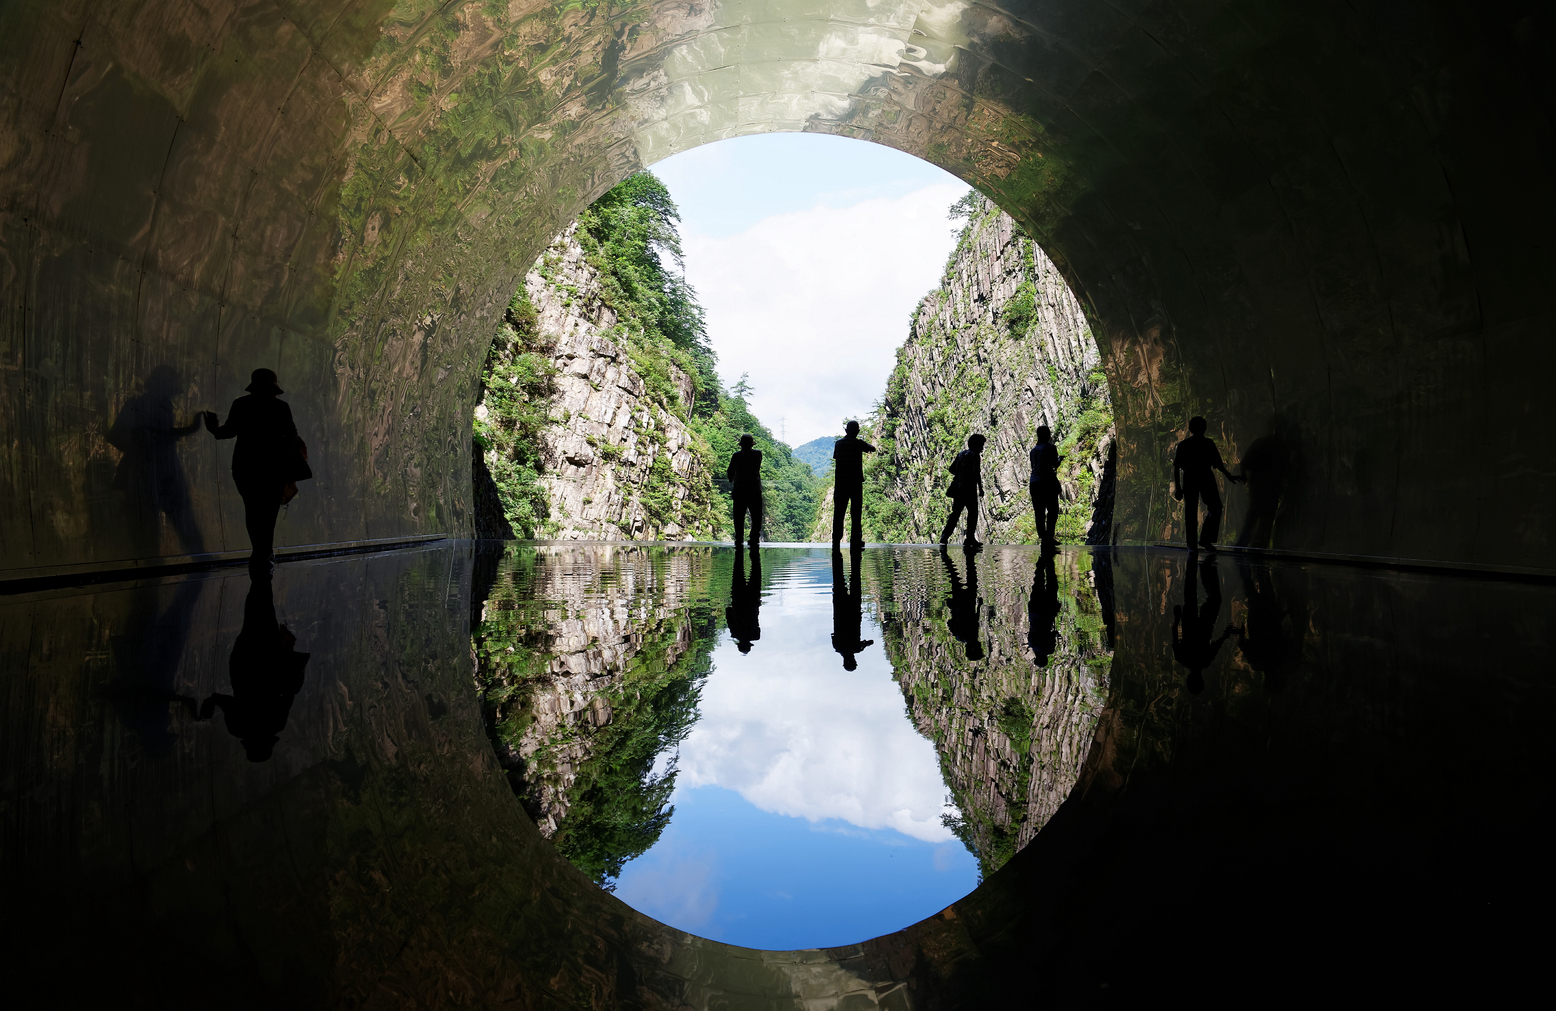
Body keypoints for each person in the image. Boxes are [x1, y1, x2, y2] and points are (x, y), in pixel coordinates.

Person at [205, 369, 310, 576]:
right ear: (274, 387)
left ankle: (259, 553)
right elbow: (292, 437)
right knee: (269, 514)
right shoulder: (281, 407)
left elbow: (227, 432)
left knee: (252, 511)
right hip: (273, 469)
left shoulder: (241, 404)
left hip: (246, 468)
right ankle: (264, 555)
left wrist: (213, 428)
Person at [199, 577, 310, 762]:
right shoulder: (238, 728)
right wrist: (213, 701)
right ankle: (260, 577)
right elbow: (227, 703)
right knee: (252, 615)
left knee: (265, 611)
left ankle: (262, 576)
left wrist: (288, 652)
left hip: (269, 662)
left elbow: (289, 693)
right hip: (244, 663)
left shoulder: (277, 723)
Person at [1172, 416, 1241, 553]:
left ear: (1190, 429)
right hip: (1205, 476)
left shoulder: (1184, 445)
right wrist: (1228, 476)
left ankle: (1192, 545)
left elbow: (1176, 467)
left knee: (1191, 511)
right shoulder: (1208, 443)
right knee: (1215, 507)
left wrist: (1179, 488)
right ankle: (1205, 539)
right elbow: (1218, 464)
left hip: (1190, 477)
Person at [831, 421, 876, 548]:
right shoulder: (858, 443)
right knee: (856, 513)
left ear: (846, 430)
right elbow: (872, 448)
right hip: (855, 483)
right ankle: (856, 539)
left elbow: (836, 458)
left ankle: (836, 539)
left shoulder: (838, 444)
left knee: (839, 513)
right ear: (857, 431)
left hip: (840, 483)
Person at [939, 433, 987, 550]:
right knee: (973, 513)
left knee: (955, 514)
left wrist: (961, 474)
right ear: (977, 444)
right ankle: (970, 538)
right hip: (969, 489)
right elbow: (976, 473)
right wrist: (980, 488)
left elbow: (951, 469)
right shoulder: (975, 455)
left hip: (958, 488)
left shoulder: (961, 454)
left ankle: (944, 536)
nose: (982, 447)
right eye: (981, 445)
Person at [831, 545, 874, 670]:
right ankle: (841, 553)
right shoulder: (837, 647)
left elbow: (867, 643)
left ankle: (849, 552)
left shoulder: (856, 648)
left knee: (855, 577)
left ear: (853, 661)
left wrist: (868, 643)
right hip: (840, 609)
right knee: (839, 579)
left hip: (854, 610)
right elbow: (833, 635)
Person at [939, 544, 983, 661]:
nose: (981, 646)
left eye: (980, 649)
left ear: (974, 648)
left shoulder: (973, 636)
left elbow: (975, 619)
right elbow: (949, 623)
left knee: (971, 574)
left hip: (969, 602)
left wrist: (979, 605)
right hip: (958, 604)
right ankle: (945, 556)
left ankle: (969, 554)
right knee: (954, 576)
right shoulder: (958, 637)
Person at [1029, 425, 1063, 551]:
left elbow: (1034, 466)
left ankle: (1043, 537)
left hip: (1035, 483)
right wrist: (1059, 459)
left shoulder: (1033, 451)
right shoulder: (1051, 447)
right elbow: (1054, 464)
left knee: (1039, 512)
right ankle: (1049, 535)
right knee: (1053, 510)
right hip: (1048, 482)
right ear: (1048, 435)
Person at [726, 434, 763, 548]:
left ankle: (739, 538)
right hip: (754, 489)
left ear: (741, 444)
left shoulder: (736, 456)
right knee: (756, 516)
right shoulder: (757, 454)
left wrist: (732, 480)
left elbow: (730, 471)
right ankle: (754, 538)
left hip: (739, 489)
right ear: (752, 444)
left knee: (738, 516)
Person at [726, 546, 762, 653]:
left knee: (755, 566)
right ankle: (741, 545)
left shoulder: (756, 635)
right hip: (738, 599)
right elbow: (728, 612)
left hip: (754, 600)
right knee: (738, 566)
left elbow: (758, 627)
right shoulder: (735, 633)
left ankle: (753, 545)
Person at [1028, 550, 1061, 667]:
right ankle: (1041, 560)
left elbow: (1052, 634)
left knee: (1052, 584)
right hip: (1033, 611)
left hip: (1047, 612)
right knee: (1038, 582)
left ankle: (1049, 559)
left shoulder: (1049, 649)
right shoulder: (1031, 643)